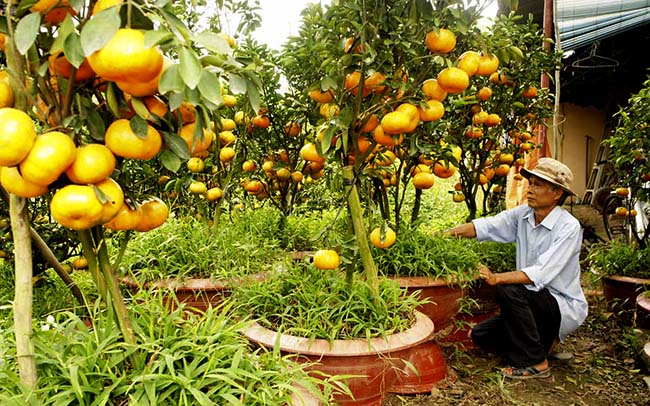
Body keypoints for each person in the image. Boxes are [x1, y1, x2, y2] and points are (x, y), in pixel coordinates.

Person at [445, 157, 588, 380]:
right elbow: (486, 226)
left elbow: (541, 273)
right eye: (530, 183)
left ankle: (536, 363)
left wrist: (496, 278)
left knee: (508, 290)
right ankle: (542, 345)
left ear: (557, 193)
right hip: (532, 301)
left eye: (538, 185)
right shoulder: (523, 215)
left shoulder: (568, 227)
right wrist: (443, 235)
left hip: (560, 304)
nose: (529, 189)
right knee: (482, 335)